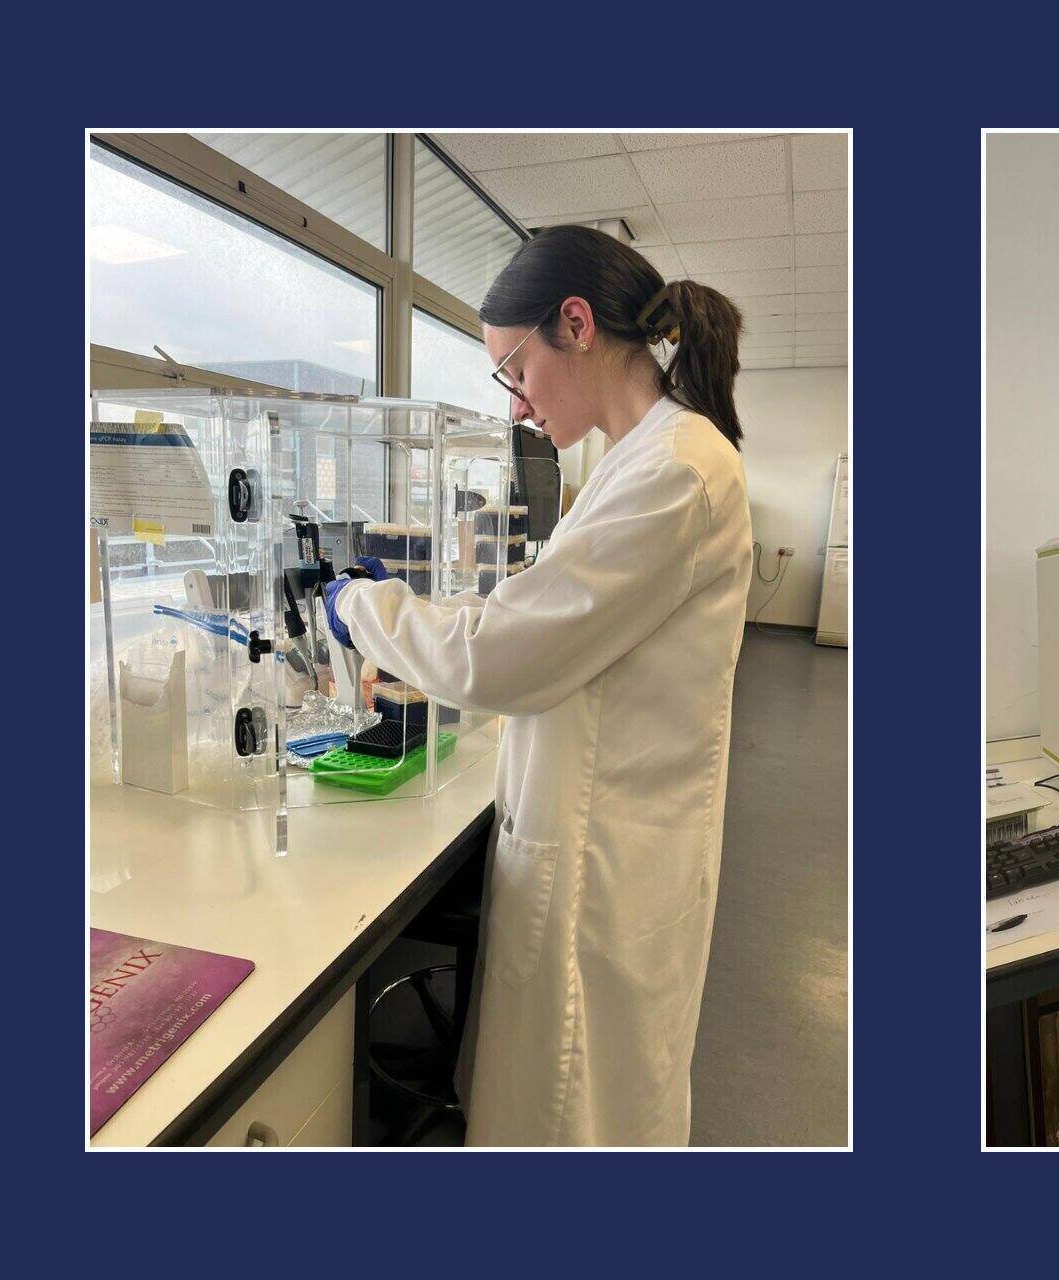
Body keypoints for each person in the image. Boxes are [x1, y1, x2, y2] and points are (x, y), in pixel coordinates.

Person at [321, 225, 754, 1145]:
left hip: (610, 865)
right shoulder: (627, 460)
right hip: (583, 831)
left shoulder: (678, 471)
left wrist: (359, 606)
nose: (514, 407)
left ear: (577, 324)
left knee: (577, 1120)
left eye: (514, 372)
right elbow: (549, 631)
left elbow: (504, 654)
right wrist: (418, 656)